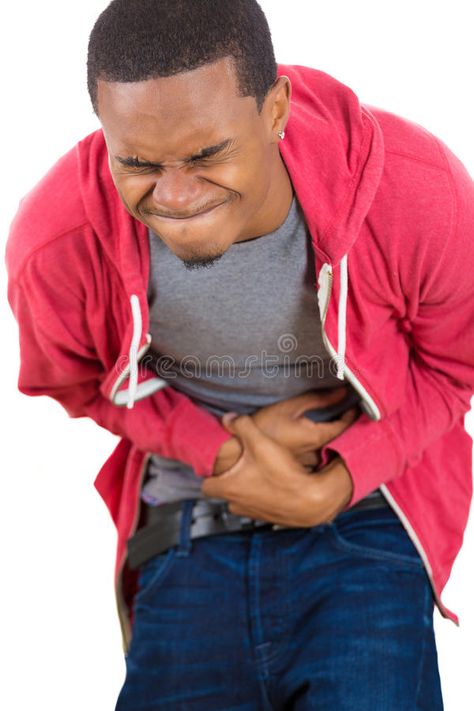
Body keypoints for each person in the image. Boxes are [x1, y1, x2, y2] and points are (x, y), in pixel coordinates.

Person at [5, 0, 474, 708]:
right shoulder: (54, 244)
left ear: (275, 108)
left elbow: (456, 369)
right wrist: (221, 451)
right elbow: (79, 382)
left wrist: (340, 480)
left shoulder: (416, 193)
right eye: (137, 163)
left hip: (372, 511)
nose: (177, 195)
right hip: (188, 520)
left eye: (205, 154)